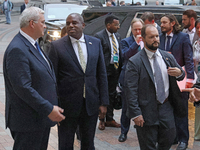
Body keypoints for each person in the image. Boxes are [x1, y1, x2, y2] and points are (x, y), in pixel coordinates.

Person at [3, 7, 65, 150]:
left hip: (39, 118)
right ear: (32, 23)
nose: (45, 26)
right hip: (28, 122)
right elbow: (23, 88)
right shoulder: (17, 49)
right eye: (43, 22)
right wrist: (49, 109)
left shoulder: (33, 44)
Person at [48, 13, 109, 150]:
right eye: (68, 23)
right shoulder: (57, 46)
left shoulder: (95, 43)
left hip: (90, 105)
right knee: (65, 143)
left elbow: (101, 74)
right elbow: (52, 79)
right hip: (67, 107)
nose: (71, 25)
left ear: (83, 25)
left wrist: (104, 102)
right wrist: (54, 105)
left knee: (88, 143)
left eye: (74, 23)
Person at [125, 24, 185, 150]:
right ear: (143, 38)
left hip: (166, 107)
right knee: (148, 145)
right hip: (146, 110)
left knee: (169, 139)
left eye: (157, 36)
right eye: (151, 37)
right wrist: (136, 114)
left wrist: (180, 73)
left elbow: (180, 74)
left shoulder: (167, 57)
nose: (156, 39)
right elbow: (131, 90)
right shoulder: (135, 62)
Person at [159, 14, 194, 150]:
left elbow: (188, 59)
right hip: (163, 80)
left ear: (172, 23)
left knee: (181, 111)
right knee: (168, 110)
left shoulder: (183, 37)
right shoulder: (159, 37)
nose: (161, 25)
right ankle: (172, 137)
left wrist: (189, 79)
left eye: (164, 22)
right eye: (161, 22)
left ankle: (183, 140)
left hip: (180, 80)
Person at [118, 18, 144, 142]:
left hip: (144, 78)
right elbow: (125, 55)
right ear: (131, 30)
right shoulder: (125, 41)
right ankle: (124, 132)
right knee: (126, 107)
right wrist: (136, 43)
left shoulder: (148, 40)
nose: (138, 32)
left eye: (140, 29)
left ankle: (144, 132)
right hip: (128, 78)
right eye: (135, 29)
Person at [94, 15, 122, 130]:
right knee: (102, 95)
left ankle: (109, 119)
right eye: (116, 25)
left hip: (114, 69)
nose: (118, 27)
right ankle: (101, 120)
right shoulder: (99, 36)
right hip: (103, 70)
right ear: (108, 25)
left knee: (112, 94)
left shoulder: (118, 36)